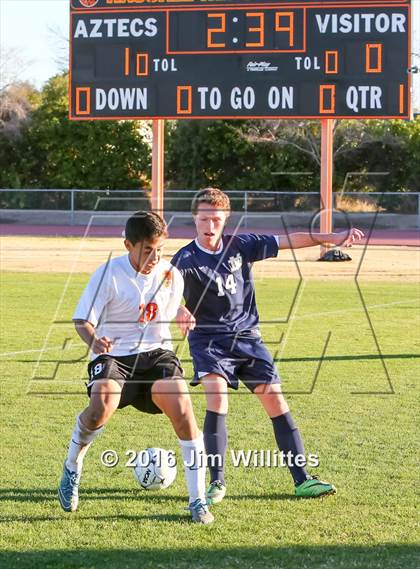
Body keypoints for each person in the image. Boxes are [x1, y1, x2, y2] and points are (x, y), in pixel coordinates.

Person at [171, 188, 364, 505]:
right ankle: (217, 482)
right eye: (204, 218)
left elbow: (292, 239)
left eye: (216, 219)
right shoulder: (185, 258)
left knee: (275, 401)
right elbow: (164, 288)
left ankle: (302, 480)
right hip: (209, 341)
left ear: (225, 219)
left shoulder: (241, 245)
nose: (209, 225)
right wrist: (178, 308)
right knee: (217, 399)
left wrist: (334, 237)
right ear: (195, 219)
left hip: (247, 338)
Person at [58, 211, 213, 524]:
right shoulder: (108, 274)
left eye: (160, 249)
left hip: (156, 355)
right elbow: (82, 319)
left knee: (183, 408)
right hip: (114, 357)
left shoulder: (171, 275)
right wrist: (94, 342)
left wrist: (182, 311)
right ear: (128, 245)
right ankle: (72, 466)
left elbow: (167, 305)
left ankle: (197, 501)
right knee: (99, 408)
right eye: (147, 250)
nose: (155, 257)